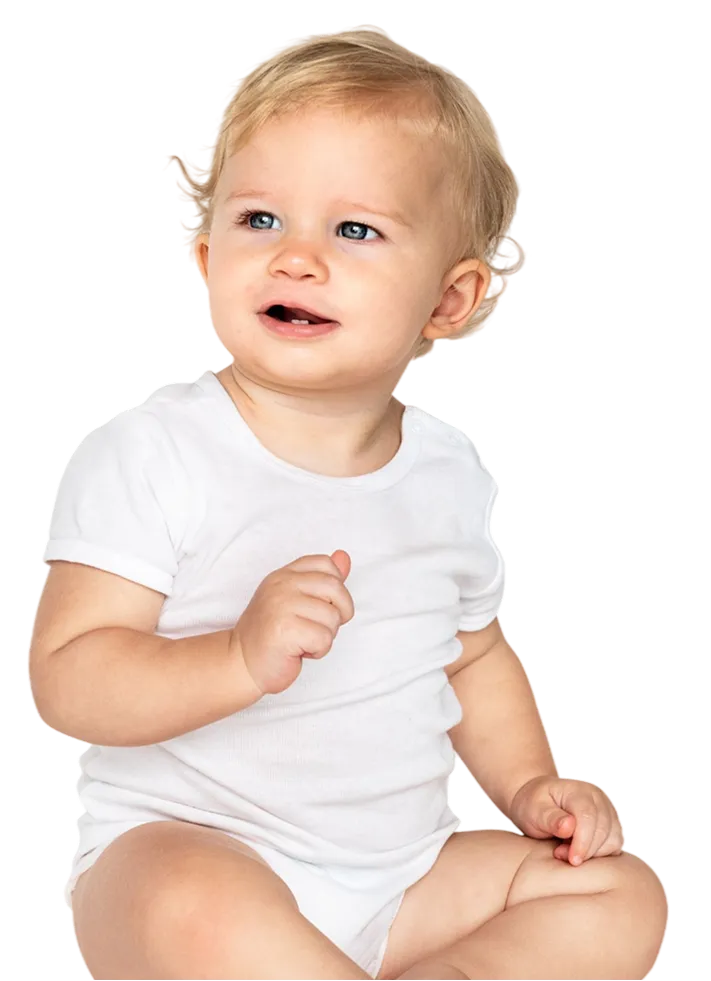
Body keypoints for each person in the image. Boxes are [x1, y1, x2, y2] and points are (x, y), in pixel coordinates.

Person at [27, 25, 667, 981]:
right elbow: (68, 681)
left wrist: (532, 784)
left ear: (448, 302)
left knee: (617, 892)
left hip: (398, 880)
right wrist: (237, 656)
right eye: (258, 220)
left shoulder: (448, 473)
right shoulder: (152, 449)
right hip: (195, 858)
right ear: (203, 250)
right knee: (178, 893)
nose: (294, 259)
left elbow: (474, 654)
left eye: (353, 230)